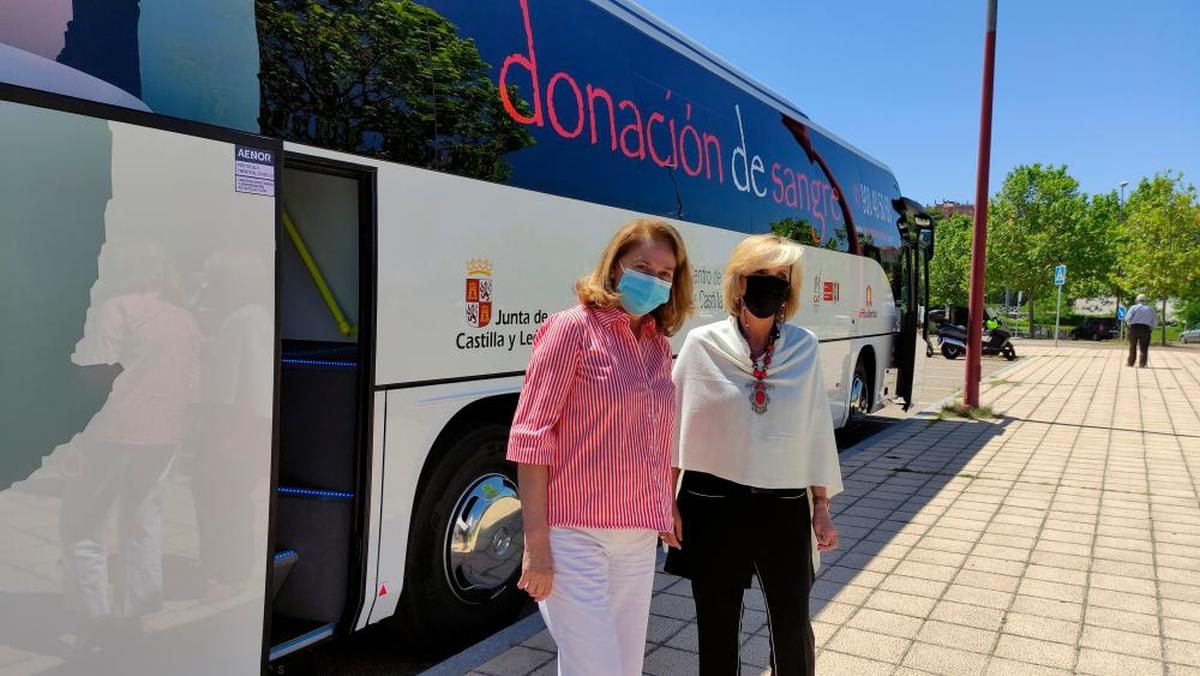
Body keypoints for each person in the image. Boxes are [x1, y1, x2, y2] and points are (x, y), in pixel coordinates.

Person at [507, 218, 694, 675]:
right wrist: (536, 547)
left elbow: (655, 437)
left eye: (666, 274)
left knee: (621, 668)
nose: (654, 280)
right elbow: (532, 439)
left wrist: (665, 503)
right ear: (615, 269)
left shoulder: (656, 344)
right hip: (573, 535)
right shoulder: (571, 329)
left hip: (636, 537)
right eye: (643, 267)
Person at [666, 234, 843, 676]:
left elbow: (816, 431)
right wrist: (663, 501)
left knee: (792, 624)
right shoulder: (702, 345)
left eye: (781, 277)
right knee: (716, 624)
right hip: (711, 503)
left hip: (783, 503)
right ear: (739, 282)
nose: (771, 285)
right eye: (761, 276)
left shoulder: (803, 348)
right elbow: (673, 430)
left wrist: (821, 506)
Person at [1125, 293, 1157, 367]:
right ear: (1146, 300)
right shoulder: (1150, 309)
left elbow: (1127, 318)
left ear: (1137, 300)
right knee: (1144, 347)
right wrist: (1151, 328)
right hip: (1145, 329)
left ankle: (1130, 363)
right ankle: (1142, 364)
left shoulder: (1133, 308)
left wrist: (1130, 325)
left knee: (1132, 346)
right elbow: (1154, 321)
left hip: (1133, 328)